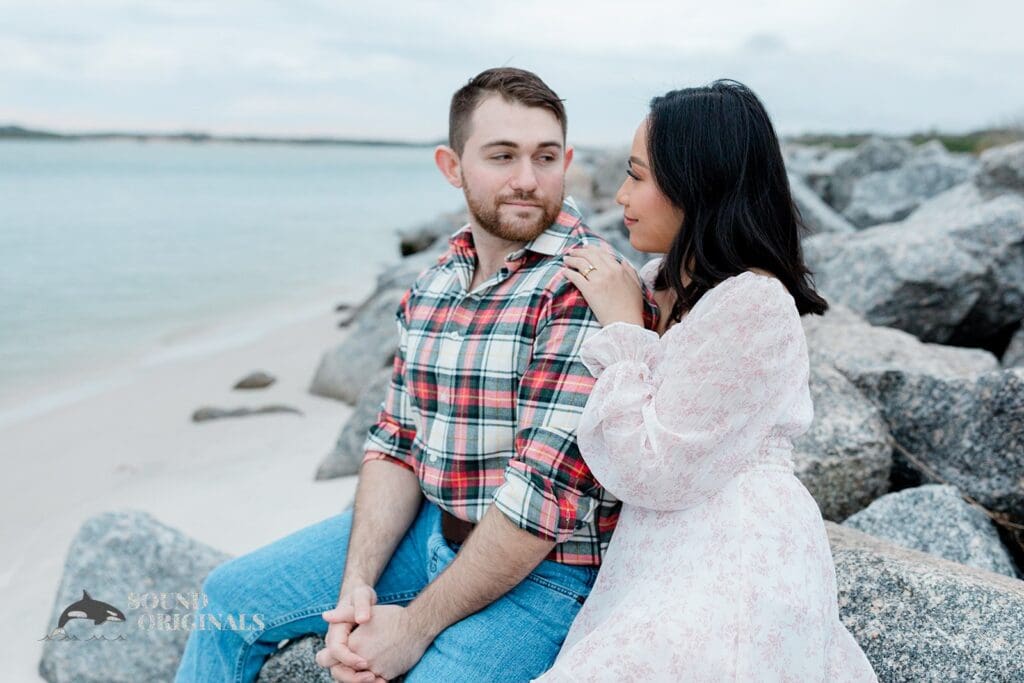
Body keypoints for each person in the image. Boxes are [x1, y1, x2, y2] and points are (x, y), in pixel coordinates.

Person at [173, 67, 657, 683]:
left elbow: (543, 501)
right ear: (452, 167)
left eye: (546, 156)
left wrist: (410, 627)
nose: (528, 180)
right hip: (432, 529)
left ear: (569, 160)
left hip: (548, 575)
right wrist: (356, 589)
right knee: (227, 599)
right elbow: (396, 441)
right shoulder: (436, 282)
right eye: (502, 156)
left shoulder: (584, 286)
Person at [536, 81, 878, 681]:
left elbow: (651, 468)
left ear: (698, 182)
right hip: (669, 551)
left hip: (735, 554)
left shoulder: (753, 302)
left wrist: (621, 330)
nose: (620, 195)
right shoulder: (667, 288)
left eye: (637, 176)